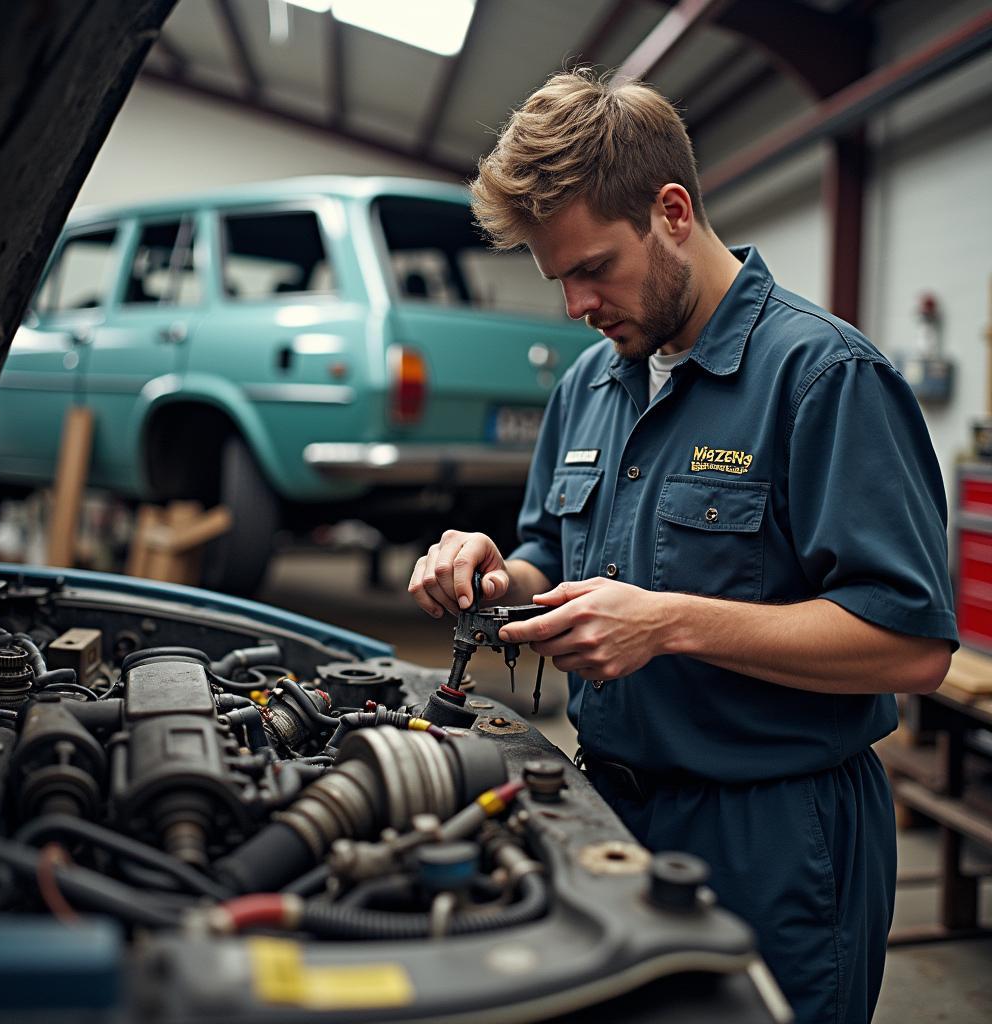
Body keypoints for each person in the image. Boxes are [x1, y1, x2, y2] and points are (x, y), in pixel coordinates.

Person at [408, 70, 957, 1024]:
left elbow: (911, 645)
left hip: (778, 839)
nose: (579, 302)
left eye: (594, 268)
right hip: (608, 813)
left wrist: (666, 624)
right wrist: (495, 574)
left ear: (672, 211)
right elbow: (547, 547)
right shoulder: (591, 381)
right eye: (559, 280)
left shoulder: (824, 378)